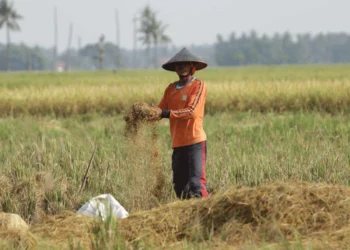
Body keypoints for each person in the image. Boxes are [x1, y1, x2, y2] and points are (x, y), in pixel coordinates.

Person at [151, 48, 209, 199]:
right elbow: (159, 111)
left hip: (195, 141)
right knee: (179, 186)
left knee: (196, 184)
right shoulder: (170, 89)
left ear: (192, 67)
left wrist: (166, 114)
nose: (181, 67)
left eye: (184, 64)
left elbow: (192, 112)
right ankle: (187, 217)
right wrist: (145, 113)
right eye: (178, 65)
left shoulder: (198, 86)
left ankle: (207, 214)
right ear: (175, 68)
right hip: (178, 143)